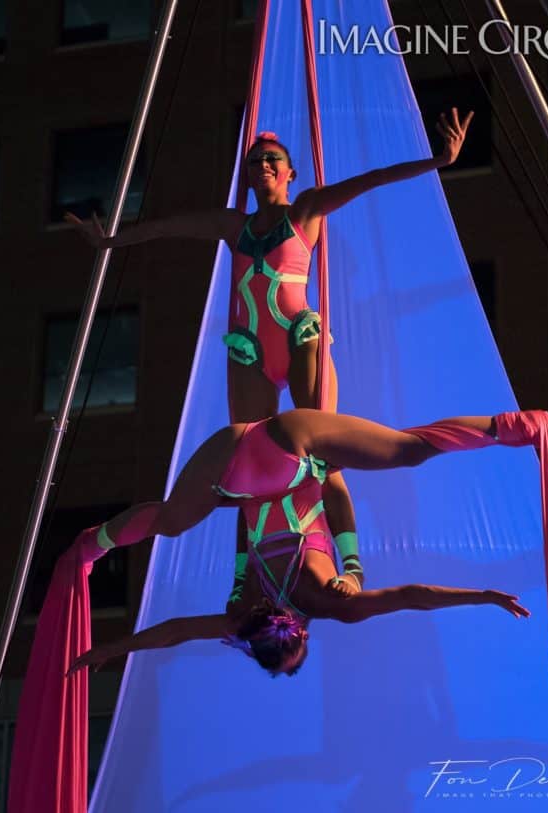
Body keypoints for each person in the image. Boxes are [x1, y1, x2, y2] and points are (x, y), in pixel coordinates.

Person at [65, 109, 475, 602]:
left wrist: (438, 160)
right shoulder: (232, 226)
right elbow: (168, 227)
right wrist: (112, 240)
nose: (262, 163)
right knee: (246, 469)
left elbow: (371, 181)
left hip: (298, 339)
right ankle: (243, 578)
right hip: (251, 351)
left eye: (271, 158)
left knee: (326, 458)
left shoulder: (304, 210)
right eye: (255, 159)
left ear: (288, 172)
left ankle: (353, 566)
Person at [67, 407, 530, 679]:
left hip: (292, 454)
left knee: (407, 450)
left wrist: (482, 596)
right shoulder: (240, 615)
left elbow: (412, 597)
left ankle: (514, 426)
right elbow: (175, 632)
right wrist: (113, 649)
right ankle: (93, 543)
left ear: (301, 634)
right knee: (169, 521)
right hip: (232, 463)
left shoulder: (333, 603)